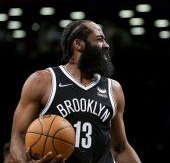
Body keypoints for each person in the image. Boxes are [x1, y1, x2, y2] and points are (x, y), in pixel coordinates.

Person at [10, 20, 141, 163]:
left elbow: (120, 148)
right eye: (100, 39)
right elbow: (18, 136)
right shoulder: (43, 81)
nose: (106, 45)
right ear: (78, 44)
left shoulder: (113, 88)